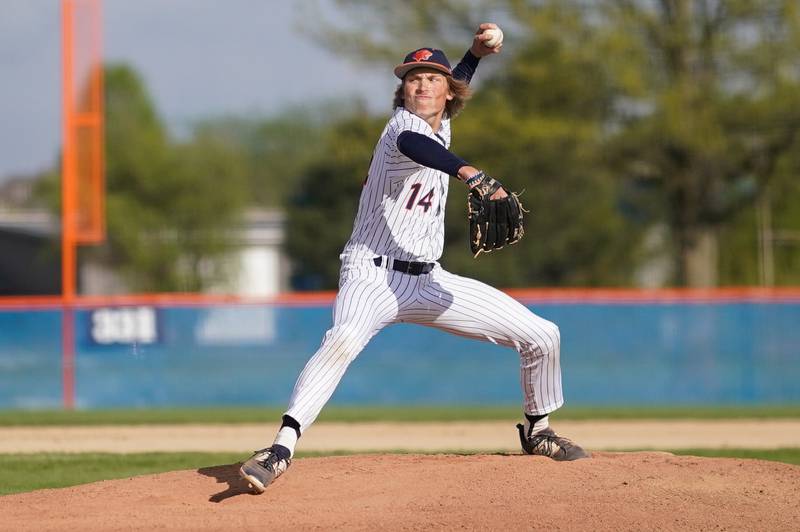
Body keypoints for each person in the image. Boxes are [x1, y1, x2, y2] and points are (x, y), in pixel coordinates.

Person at [240, 23, 588, 494]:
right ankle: (279, 449)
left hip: (427, 281)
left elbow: (452, 89)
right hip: (371, 274)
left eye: (432, 78)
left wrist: (474, 54)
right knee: (341, 340)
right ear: (402, 90)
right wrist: (471, 173)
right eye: (412, 78)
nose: (422, 85)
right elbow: (416, 145)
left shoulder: (441, 124)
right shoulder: (401, 130)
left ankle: (538, 429)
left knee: (543, 335)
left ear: (448, 94)